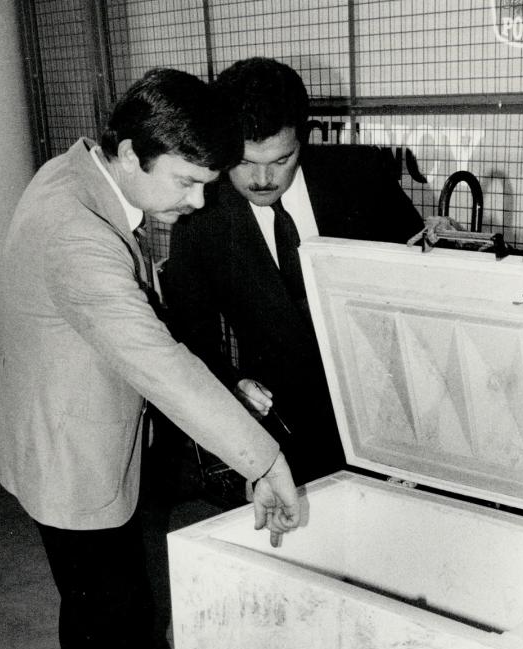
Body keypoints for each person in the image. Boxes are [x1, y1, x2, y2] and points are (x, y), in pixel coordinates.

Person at [0, 68, 300, 649]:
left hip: (90, 426)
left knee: (123, 605)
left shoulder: (80, 170)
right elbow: (157, 360)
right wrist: (263, 459)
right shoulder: (76, 230)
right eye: (189, 181)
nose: (198, 201)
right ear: (131, 151)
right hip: (75, 456)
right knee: (103, 619)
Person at [163, 57, 424, 486]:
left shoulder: (361, 176)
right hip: (281, 421)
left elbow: (420, 283)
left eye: (282, 160)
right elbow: (192, 335)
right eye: (245, 162)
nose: (263, 179)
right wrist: (233, 386)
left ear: (304, 137)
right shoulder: (198, 216)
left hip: (387, 405)